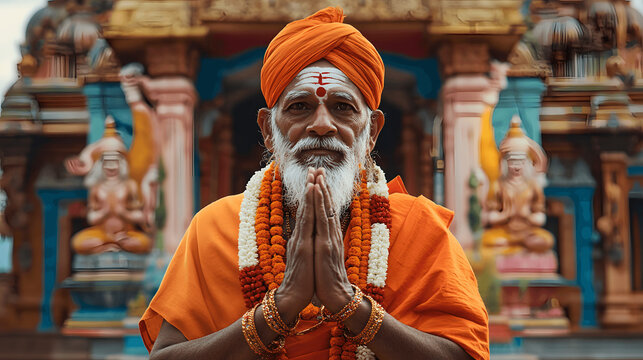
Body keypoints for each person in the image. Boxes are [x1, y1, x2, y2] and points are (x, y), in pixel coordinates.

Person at [139, 7, 489, 360]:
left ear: (372, 133)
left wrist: (347, 302)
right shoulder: (214, 229)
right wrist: (281, 307)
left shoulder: (419, 230)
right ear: (267, 131)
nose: (322, 125)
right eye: (300, 106)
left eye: (342, 107)